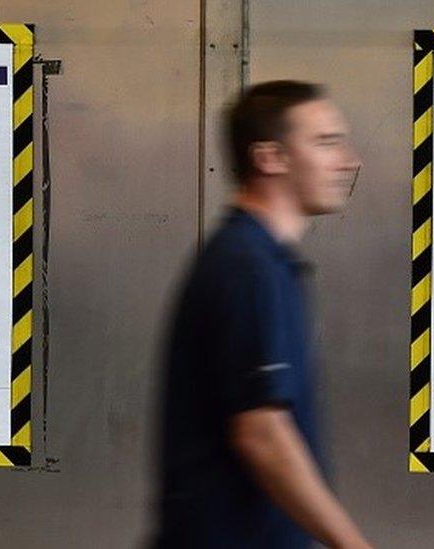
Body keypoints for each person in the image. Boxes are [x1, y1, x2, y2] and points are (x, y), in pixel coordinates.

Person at [156, 81, 370, 548]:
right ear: (270, 158)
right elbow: (263, 433)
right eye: (325, 142)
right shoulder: (248, 266)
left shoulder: (264, 260)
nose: (348, 160)